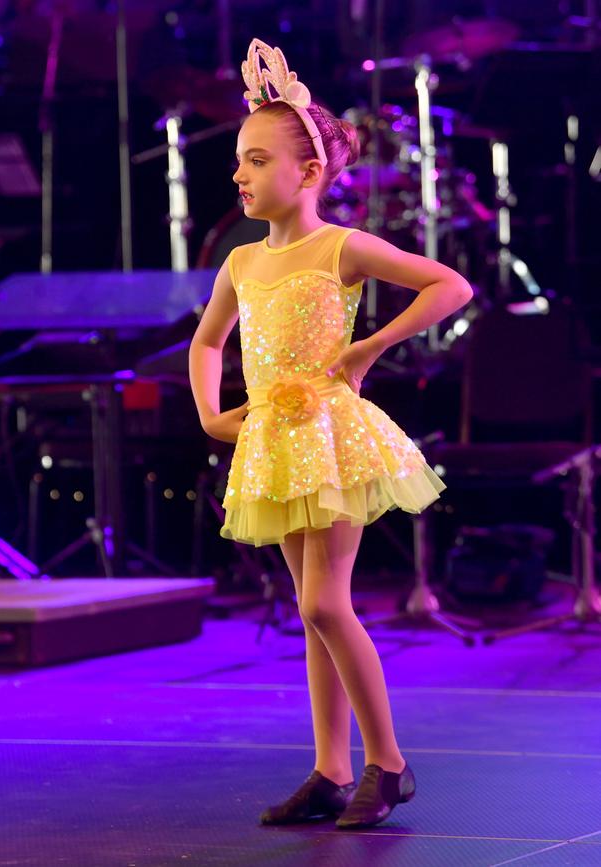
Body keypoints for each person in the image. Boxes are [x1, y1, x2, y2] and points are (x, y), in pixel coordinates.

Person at [189, 38, 473, 829]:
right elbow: (207, 339)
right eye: (238, 161)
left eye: (253, 160)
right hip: (277, 440)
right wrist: (212, 412)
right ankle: (330, 768)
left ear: (307, 172)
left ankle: (390, 762)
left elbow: (449, 284)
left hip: (330, 432)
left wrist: (368, 346)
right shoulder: (242, 264)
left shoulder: (338, 246)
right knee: (313, 610)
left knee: (323, 603)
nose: (238, 174)